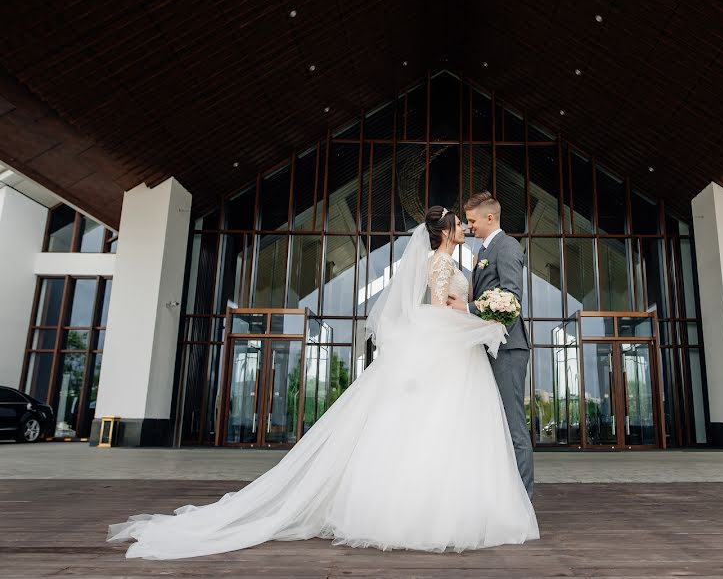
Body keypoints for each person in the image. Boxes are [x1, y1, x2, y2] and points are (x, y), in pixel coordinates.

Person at [106, 205, 539, 560]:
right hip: (451, 345)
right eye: (458, 223)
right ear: (445, 231)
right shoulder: (441, 263)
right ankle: (437, 509)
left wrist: (478, 321)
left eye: (468, 221)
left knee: (448, 427)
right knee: (441, 425)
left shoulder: (448, 259)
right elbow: (445, 308)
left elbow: (450, 306)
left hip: (455, 348)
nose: (464, 226)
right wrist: (478, 323)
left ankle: (455, 504)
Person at [448, 191, 534, 499]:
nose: (469, 227)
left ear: (489, 217)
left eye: (471, 221)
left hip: (508, 348)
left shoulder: (507, 246)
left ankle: (523, 500)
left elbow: (511, 299)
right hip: (486, 346)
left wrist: (468, 309)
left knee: (513, 426)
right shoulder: (484, 250)